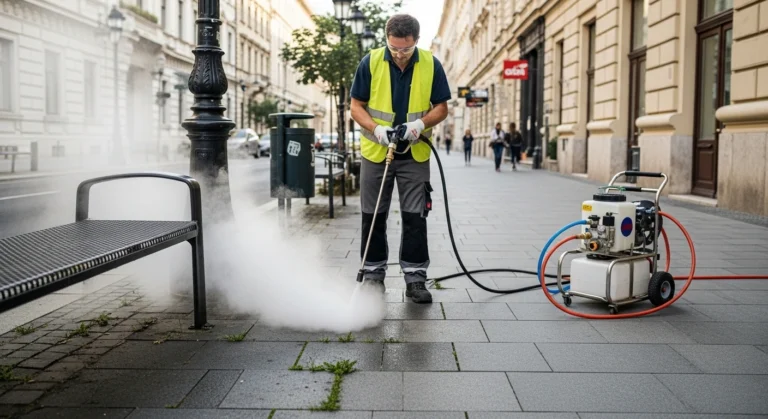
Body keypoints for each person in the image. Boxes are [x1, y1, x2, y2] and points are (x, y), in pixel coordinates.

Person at [349, 14, 451, 303]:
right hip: (376, 152)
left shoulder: (431, 64)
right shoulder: (370, 62)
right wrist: (376, 128)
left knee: (415, 217)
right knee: (373, 215)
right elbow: (355, 107)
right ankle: (372, 274)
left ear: (416, 41)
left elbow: (442, 107)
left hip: (414, 153)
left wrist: (420, 125)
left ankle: (416, 278)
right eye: (393, 48)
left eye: (405, 49)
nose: (398, 54)